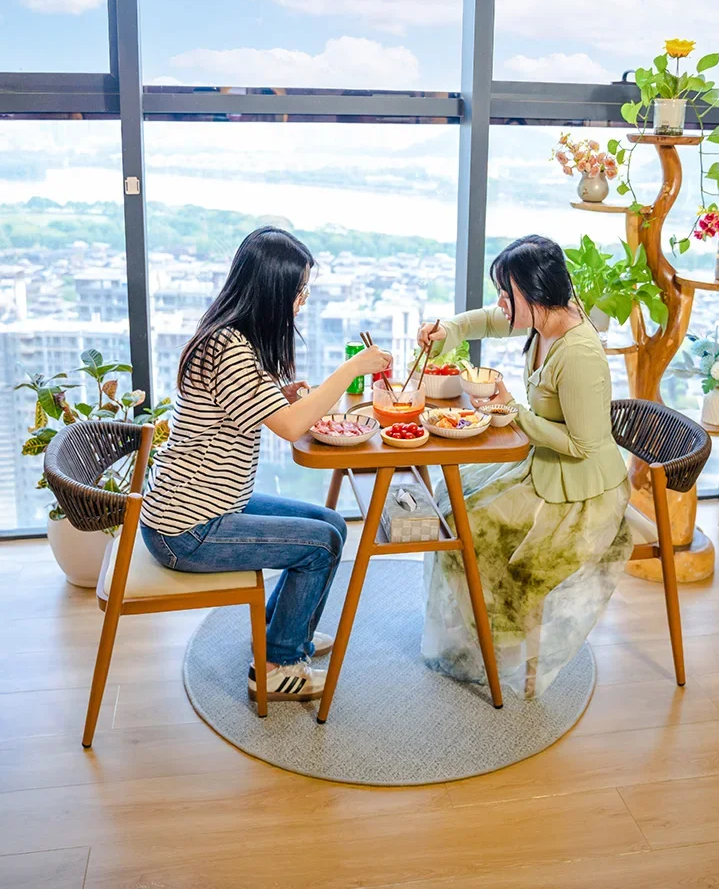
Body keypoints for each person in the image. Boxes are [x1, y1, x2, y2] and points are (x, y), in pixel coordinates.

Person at [140, 226, 391, 703]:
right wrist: (352, 368)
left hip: (210, 504)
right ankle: (276, 664)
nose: (302, 300)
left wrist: (286, 395)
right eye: (299, 291)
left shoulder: (229, 336)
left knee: (332, 524)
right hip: (188, 530)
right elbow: (293, 428)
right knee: (319, 545)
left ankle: (280, 635)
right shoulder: (228, 348)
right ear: (272, 290)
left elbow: (265, 410)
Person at [416, 234, 633, 698]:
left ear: (534, 296)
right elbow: (491, 321)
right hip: (544, 466)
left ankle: (498, 647)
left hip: (580, 493)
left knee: (468, 524)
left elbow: (583, 445)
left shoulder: (579, 354)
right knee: (448, 500)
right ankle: (480, 639)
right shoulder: (546, 318)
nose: (500, 302)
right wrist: (447, 330)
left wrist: (515, 410)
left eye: (506, 291)